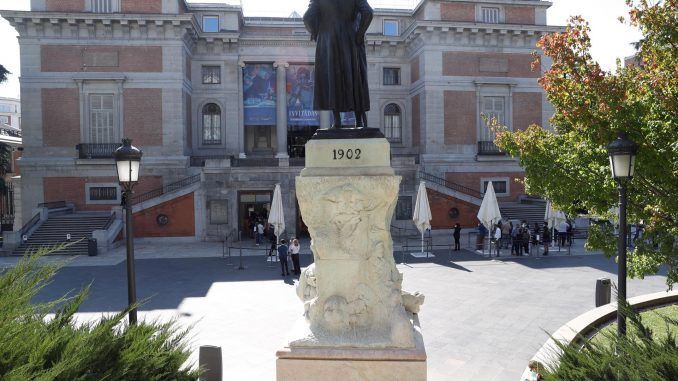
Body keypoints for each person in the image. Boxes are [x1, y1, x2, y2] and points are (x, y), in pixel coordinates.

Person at [303, 0, 373, 128]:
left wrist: (316, 33)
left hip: (328, 40)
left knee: (332, 77)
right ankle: (359, 121)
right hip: (351, 38)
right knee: (356, 77)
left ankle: (337, 121)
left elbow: (307, 18)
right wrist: (359, 34)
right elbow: (368, 12)